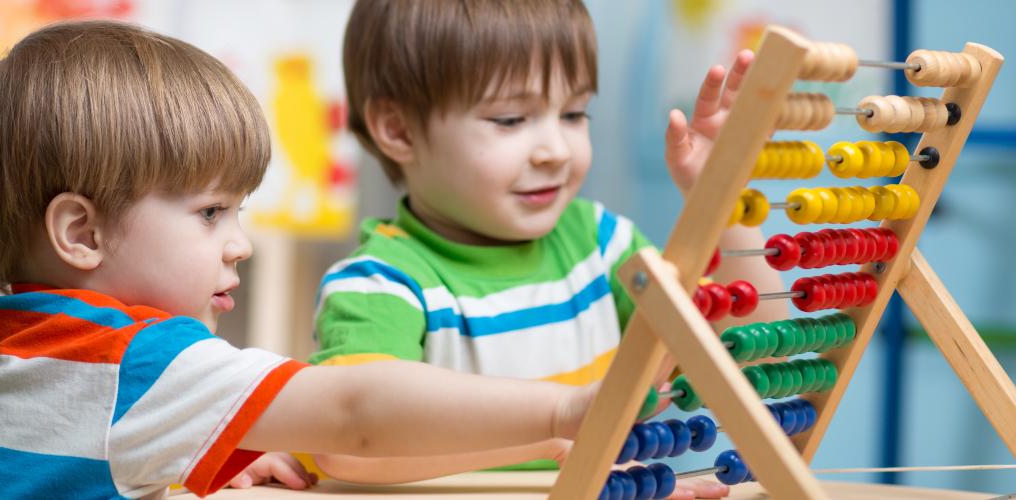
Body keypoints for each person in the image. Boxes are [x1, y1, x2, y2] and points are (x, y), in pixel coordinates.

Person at [0, 21, 598, 499]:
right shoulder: (136, 360)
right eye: (211, 213)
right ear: (82, 233)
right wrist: (562, 409)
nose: (241, 243)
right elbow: (354, 408)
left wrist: (198, 442)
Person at [307, 1, 784, 497]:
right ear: (398, 130)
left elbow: (748, 354)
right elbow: (348, 446)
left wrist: (722, 197)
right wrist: (553, 437)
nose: (556, 150)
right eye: (511, 119)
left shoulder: (602, 248)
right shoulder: (380, 286)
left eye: (574, 113)